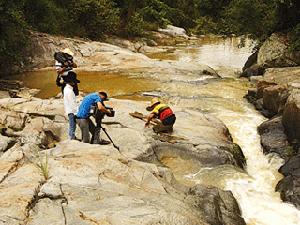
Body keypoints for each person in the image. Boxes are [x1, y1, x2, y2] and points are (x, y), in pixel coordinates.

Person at [63, 73, 80, 140]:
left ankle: (72, 136)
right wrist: (77, 112)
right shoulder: (69, 91)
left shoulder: (66, 88)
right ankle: (71, 137)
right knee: (72, 125)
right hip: (71, 110)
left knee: (72, 124)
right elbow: (72, 103)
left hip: (69, 109)